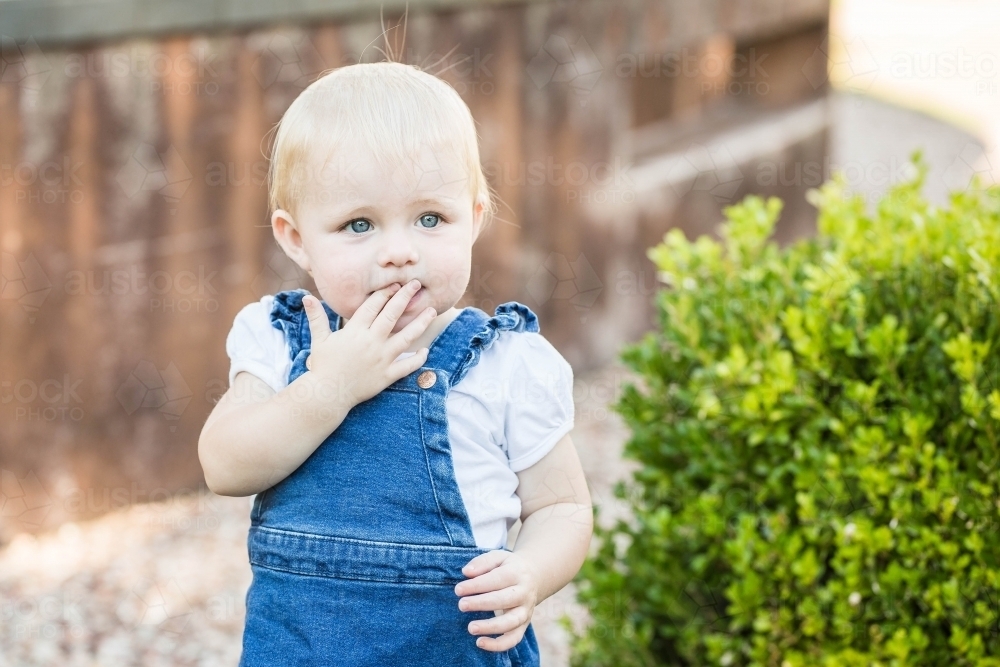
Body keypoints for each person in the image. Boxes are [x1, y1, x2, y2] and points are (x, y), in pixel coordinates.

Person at [198, 59, 593, 666]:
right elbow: (224, 464)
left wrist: (531, 574)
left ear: (476, 218)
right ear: (296, 237)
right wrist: (328, 387)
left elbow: (562, 507)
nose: (400, 253)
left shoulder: (506, 363)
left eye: (430, 218)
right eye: (359, 224)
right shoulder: (280, 342)